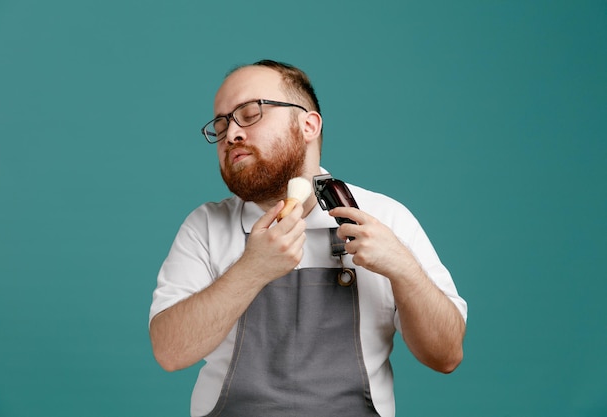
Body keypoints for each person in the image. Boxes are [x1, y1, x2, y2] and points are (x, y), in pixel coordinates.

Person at [149, 59, 467, 417]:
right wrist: (251, 270)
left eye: (250, 114)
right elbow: (170, 352)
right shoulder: (206, 226)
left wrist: (403, 269)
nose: (231, 135)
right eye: (221, 125)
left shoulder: (386, 217)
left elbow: (446, 356)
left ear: (308, 124)